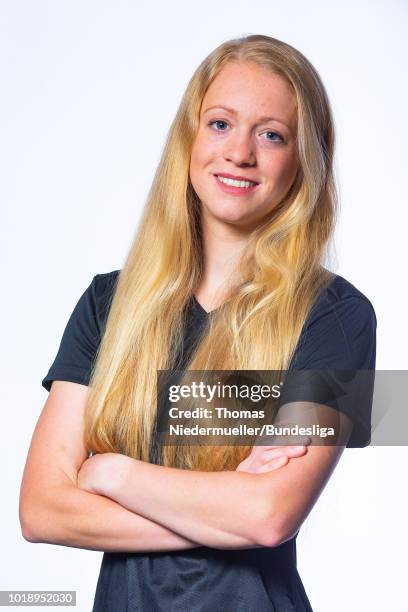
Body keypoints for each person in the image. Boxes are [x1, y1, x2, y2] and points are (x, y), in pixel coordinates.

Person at [19, 34, 376, 611]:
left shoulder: (338, 316)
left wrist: (111, 473)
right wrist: (224, 511)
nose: (240, 152)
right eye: (219, 124)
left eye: (272, 134)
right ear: (188, 139)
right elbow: (40, 510)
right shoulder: (105, 305)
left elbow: (269, 515)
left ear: (304, 161)